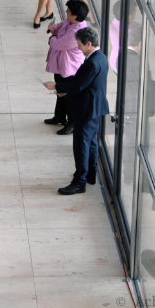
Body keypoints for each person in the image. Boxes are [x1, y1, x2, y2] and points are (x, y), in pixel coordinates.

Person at [44, 27, 109, 195]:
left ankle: (79, 181)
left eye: (80, 44)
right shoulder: (100, 58)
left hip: (86, 110)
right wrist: (66, 89)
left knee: (81, 145)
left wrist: (57, 85)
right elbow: (82, 82)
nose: (78, 47)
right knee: (91, 143)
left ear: (88, 44)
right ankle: (90, 174)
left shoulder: (92, 62)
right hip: (95, 108)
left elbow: (79, 84)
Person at [44, 0, 89, 135]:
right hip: (61, 65)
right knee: (60, 92)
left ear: (75, 16)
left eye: (68, 11)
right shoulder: (71, 21)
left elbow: (57, 43)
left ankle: (72, 123)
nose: (66, 13)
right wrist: (54, 28)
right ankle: (59, 117)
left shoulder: (77, 32)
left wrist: (52, 37)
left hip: (69, 67)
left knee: (69, 96)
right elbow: (60, 25)